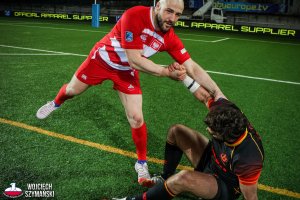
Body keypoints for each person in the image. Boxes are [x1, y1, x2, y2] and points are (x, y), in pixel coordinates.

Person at [36, 0, 225, 186]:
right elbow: (134, 59)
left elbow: (190, 65)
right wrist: (166, 72)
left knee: (136, 117)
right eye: (169, 11)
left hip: (126, 72)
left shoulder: (169, 36)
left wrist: (217, 93)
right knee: (71, 90)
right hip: (102, 60)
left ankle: (141, 163)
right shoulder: (135, 15)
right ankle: (55, 103)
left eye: (177, 14)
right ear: (157, 5)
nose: (173, 18)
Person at [113, 81, 264, 200]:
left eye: (212, 132)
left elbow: (250, 197)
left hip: (224, 185)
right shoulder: (227, 112)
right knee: (176, 131)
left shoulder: (249, 159)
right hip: (213, 160)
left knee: (183, 178)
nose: (207, 130)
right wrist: (183, 74)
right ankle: (164, 177)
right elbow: (205, 96)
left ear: (224, 136)